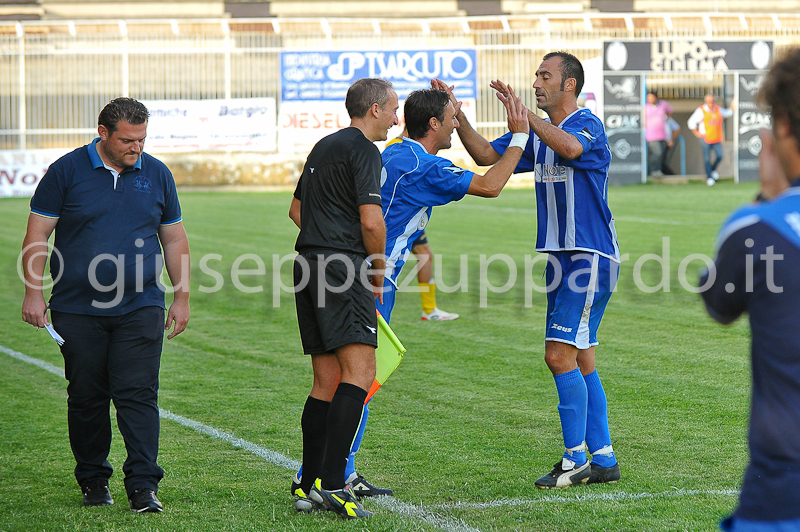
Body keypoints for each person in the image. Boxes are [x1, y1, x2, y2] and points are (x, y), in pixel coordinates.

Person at [440, 51, 621, 489]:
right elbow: (485, 155)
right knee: (581, 358)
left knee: (558, 355)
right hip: (561, 259)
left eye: (546, 76)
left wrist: (525, 119)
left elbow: (571, 147)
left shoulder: (587, 123)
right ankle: (603, 457)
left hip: (588, 256)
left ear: (569, 85)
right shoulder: (537, 134)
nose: (537, 82)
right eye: (536, 75)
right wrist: (458, 116)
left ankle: (574, 459)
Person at [20, 97, 191, 513]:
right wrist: (34, 292)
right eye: (128, 141)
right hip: (77, 310)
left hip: (142, 305)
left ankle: (144, 486)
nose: (137, 148)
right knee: (86, 397)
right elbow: (38, 234)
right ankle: (93, 479)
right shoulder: (66, 171)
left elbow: (173, 238)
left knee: (138, 394)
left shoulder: (157, 173)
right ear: (103, 134)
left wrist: (182, 295)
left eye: (143, 139)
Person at [287, 77, 397, 520]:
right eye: (392, 109)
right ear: (373, 110)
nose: (395, 117)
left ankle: (308, 482)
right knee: (360, 371)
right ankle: (334, 483)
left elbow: (296, 210)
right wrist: (375, 267)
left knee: (326, 381)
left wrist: (323, 240)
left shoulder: (324, 146)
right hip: (341, 267)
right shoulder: (364, 150)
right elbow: (371, 221)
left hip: (307, 264)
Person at [700, 47, 800, 532]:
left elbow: (717, 304)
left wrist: (767, 197)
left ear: (781, 127)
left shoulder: (756, 229)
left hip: (785, 489)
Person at [385, 130, 459, 322]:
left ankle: (429, 308)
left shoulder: (394, 146)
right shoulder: (401, 148)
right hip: (403, 215)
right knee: (420, 256)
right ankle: (429, 309)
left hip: (406, 213)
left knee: (425, 255)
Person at [688, 93, 734, 186]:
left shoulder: (717, 109)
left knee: (720, 156)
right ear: (706, 102)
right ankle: (709, 177)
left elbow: (728, 113)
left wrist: (733, 104)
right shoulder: (700, 110)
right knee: (707, 159)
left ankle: (712, 171)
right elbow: (691, 122)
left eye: (712, 101)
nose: (711, 103)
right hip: (706, 138)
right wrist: (697, 133)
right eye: (709, 101)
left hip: (716, 138)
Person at [644, 91, 673, 177]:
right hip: (651, 135)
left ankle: (658, 171)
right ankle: (652, 170)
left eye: (651, 97)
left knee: (662, 155)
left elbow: (670, 111)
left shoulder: (663, 104)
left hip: (662, 134)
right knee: (657, 153)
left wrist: (666, 119)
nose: (650, 99)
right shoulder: (645, 107)